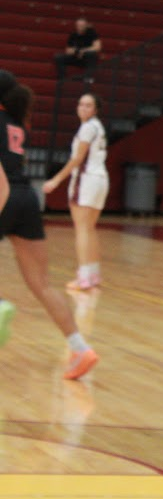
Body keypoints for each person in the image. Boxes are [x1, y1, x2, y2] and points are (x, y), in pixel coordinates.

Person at [0, 70, 98, 379]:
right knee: (41, 284)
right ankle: (81, 348)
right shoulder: (15, 123)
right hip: (27, 198)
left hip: (3, 194)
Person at [41, 93, 109, 289]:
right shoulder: (97, 126)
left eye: (88, 105)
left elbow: (77, 159)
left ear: (95, 109)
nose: (83, 108)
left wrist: (56, 180)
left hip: (87, 180)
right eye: (81, 104)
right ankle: (94, 275)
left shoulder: (88, 128)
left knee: (82, 229)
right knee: (90, 228)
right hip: (101, 180)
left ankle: (84, 277)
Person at [53, 17, 102, 82]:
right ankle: (62, 80)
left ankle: (88, 78)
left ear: (86, 26)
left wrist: (83, 51)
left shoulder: (91, 32)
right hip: (76, 57)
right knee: (58, 57)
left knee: (91, 54)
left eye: (82, 25)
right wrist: (77, 52)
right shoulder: (73, 35)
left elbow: (98, 47)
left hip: (87, 58)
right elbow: (68, 50)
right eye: (78, 25)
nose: (80, 27)